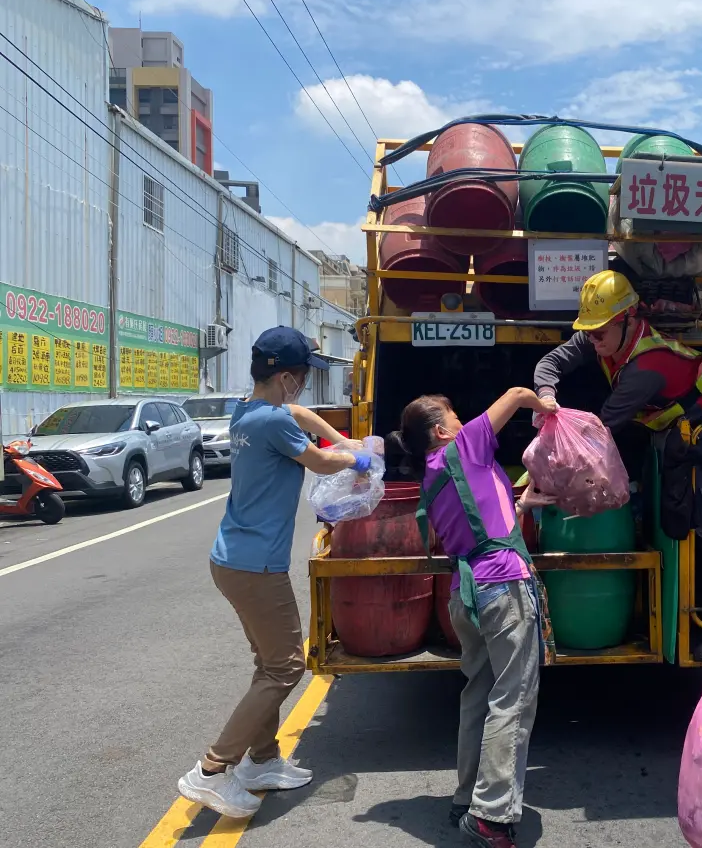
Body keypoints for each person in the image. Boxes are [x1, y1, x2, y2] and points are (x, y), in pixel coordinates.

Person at [178, 327, 374, 819]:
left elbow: (302, 418)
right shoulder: (270, 424)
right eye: (303, 377)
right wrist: (358, 456)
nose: (304, 387)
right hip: (256, 567)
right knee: (286, 667)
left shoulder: (249, 411)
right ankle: (211, 770)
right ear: (286, 377)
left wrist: (337, 433)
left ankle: (263, 761)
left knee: (267, 664)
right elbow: (321, 463)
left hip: (232, 559)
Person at [532, 270, 702, 663]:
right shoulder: (601, 335)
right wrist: (546, 394)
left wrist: (543, 470)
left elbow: (597, 432)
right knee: (668, 519)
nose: (594, 343)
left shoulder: (648, 366)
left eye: (600, 334)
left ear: (628, 319)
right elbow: (551, 362)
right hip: (667, 431)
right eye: (589, 333)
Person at [398, 388, 557, 848]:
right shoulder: (461, 447)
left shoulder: (434, 474)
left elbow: (479, 516)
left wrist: (522, 504)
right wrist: (545, 403)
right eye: (456, 416)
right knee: (514, 698)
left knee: (480, 695)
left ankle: (467, 797)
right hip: (503, 588)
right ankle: (491, 815)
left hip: (467, 598)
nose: (465, 423)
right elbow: (517, 394)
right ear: (440, 431)